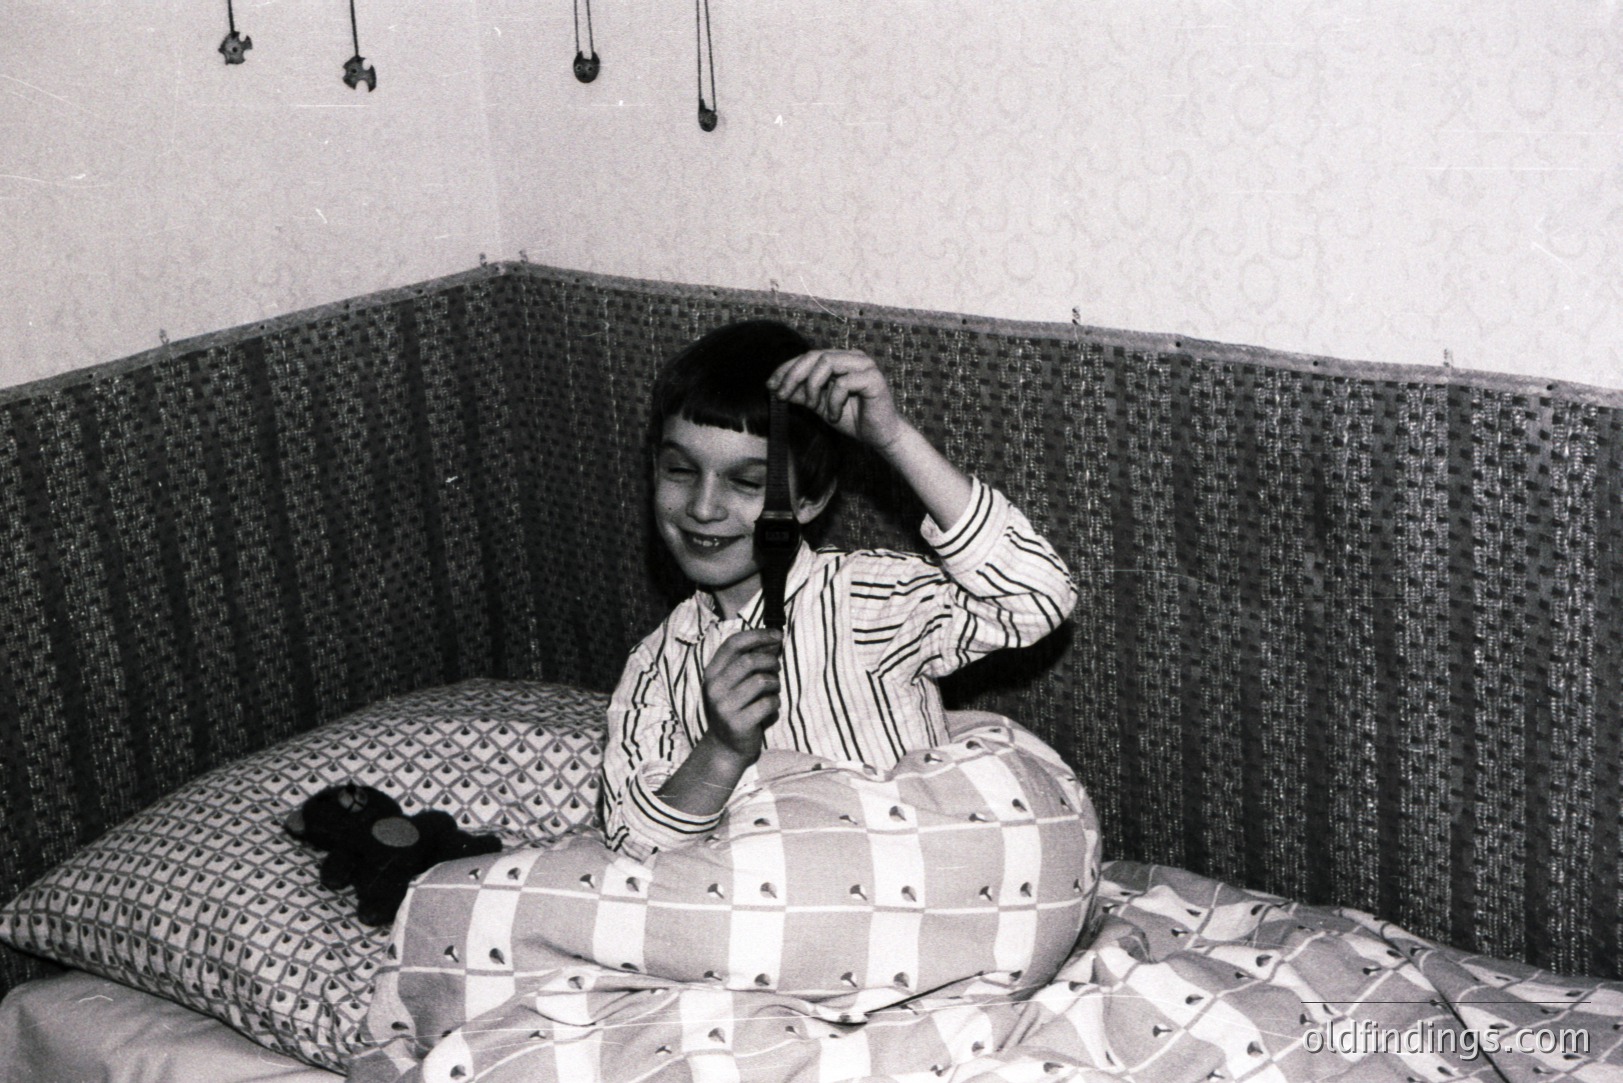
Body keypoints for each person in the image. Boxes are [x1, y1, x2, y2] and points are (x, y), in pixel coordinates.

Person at [602, 318, 1078, 859]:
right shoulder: (656, 666)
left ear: (811, 498)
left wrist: (894, 438)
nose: (703, 508)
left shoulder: (865, 597)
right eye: (680, 470)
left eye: (747, 483)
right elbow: (630, 843)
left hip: (917, 886)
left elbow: (1038, 600)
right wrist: (721, 751)